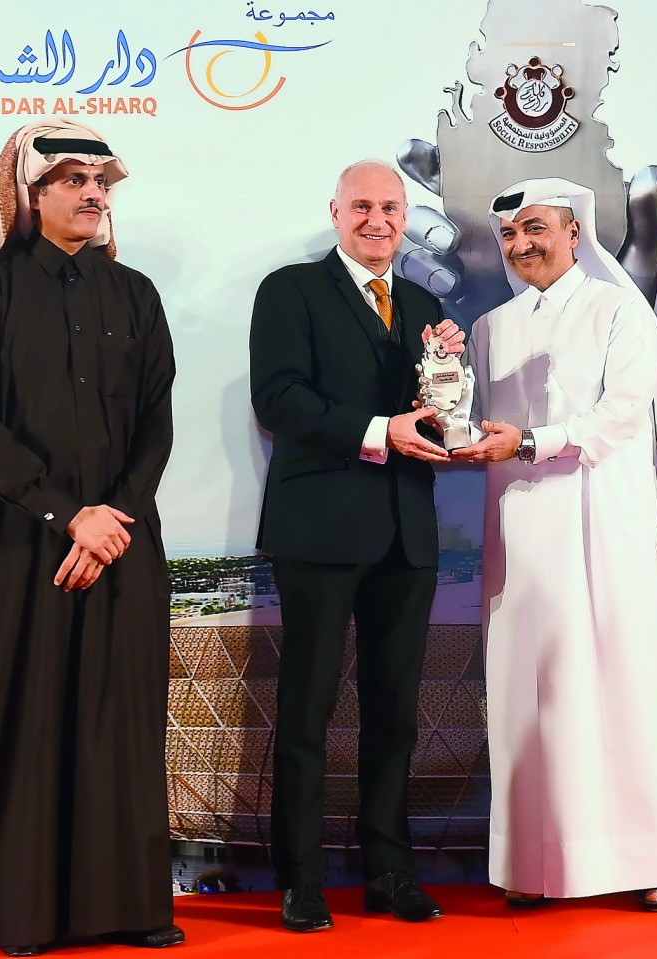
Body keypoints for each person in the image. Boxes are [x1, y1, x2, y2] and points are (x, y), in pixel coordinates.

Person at [0, 121, 181, 955]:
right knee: (21, 722)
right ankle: (20, 914)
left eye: (102, 181)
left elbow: (156, 425)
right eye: (73, 179)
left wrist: (112, 515)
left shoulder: (136, 295)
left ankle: (133, 908)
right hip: (12, 545)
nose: (92, 194)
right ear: (29, 194)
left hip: (119, 542)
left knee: (118, 723)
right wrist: (64, 511)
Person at [453, 177, 657, 910]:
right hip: (522, 537)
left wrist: (532, 438)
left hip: (604, 530)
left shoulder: (619, 308)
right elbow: (473, 426)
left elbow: (622, 415)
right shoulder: (491, 326)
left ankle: (649, 858)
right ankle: (536, 863)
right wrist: (445, 390)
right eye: (510, 235)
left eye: (536, 229)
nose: (522, 244)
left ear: (573, 231)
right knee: (533, 696)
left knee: (622, 683)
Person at [249, 159, 461, 932]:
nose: (379, 220)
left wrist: (448, 379)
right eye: (363, 206)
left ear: (406, 217)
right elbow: (278, 399)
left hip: (407, 530)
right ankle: (301, 880)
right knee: (306, 708)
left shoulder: (421, 304)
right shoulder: (290, 291)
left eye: (391, 207)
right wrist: (381, 430)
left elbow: (430, 414)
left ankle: (388, 870)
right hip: (320, 530)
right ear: (336, 211)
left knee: (395, 712)